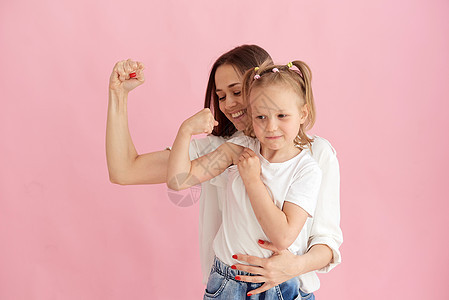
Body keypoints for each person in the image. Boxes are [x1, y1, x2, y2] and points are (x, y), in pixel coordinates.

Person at [106, 45, 342, 298]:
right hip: (229, 285)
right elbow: (125, 171)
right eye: (220, 96)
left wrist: (293, 266)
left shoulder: (315, 155)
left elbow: (326, 241)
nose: (229, 104)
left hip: (289, 288)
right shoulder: (227, 148)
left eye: (237, 91)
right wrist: (119, 95)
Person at [167, 60, 323, 299]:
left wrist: (252, 180)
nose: (271, 126)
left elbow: (282, 237)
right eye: (261, 116)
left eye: (282, 115)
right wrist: (185, 130)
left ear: (303, 113)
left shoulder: (306, 170)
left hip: (277, 287)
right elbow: (179, 181)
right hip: (227, 283)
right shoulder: (238, 148)